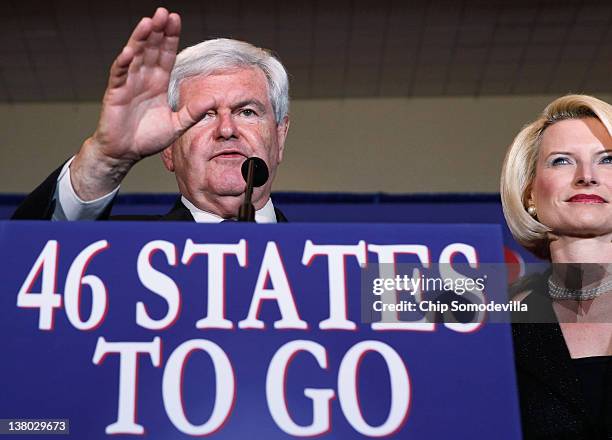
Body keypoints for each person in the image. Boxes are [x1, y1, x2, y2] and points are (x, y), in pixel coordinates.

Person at [12, 7, 289, 223]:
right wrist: (107, 160)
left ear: (279, 136)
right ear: (168, 149)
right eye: (203, 115)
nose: (226, 129)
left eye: (247, 112)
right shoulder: (119, 250)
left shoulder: (328, 262)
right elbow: (17, 264)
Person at [501, 94, 612, 439]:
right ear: (530, 194)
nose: (586, 176)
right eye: (562, 161)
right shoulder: (494, 320)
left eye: (607, 160)